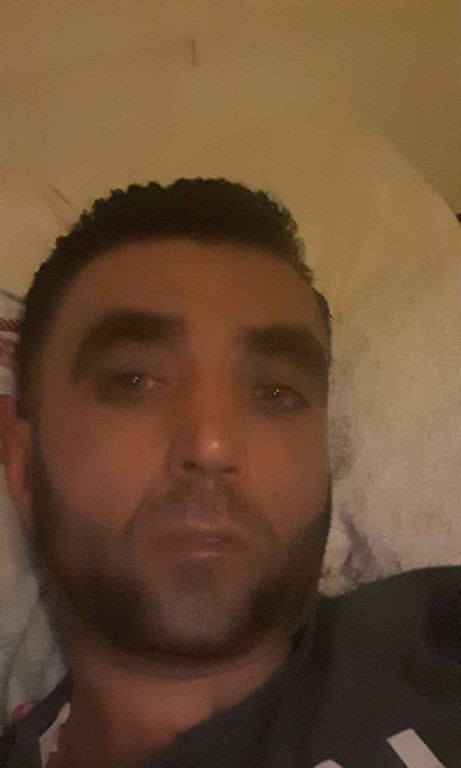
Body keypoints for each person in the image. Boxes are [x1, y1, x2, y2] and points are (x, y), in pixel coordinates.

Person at [1, 178, 459, 768]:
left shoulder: (438, 644)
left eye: (276, 393)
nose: (212, 444)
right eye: (133, 382)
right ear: (23, 468)